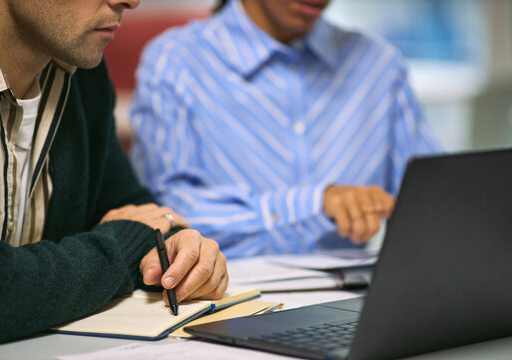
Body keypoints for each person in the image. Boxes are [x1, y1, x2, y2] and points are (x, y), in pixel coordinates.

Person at [0, 0, 228, 347]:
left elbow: (138, 212)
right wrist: (127, 240)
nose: (131, 1)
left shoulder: (81, 75)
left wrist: (181, 250)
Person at [130, 0, 440, 258]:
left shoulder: (380, 66)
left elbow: (435, 202)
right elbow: (168, 215)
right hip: (225, 302)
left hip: (353, 306)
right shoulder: (174, 62)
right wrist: (316, 204)